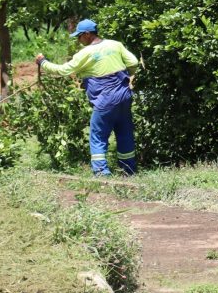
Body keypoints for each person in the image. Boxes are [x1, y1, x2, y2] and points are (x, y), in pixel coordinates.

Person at [36, 19, 140, 176]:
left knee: (97, 135)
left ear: (87, 34)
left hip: (106, 100)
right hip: (124, 96)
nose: (78, 40)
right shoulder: (115, 44)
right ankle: (129, 170)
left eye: (79, 36)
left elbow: (63, 70)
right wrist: (126, 75)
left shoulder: (85, 53)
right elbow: (133, 62)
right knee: (124, 132)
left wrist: (42, 62)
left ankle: (101, 172)